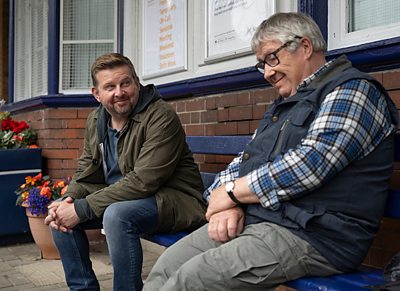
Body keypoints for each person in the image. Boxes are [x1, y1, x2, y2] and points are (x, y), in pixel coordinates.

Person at [143, 12, 399, 291]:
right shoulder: (283, 106)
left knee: (188, 281)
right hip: (262, 220)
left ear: (304, 46)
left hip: (315, 236)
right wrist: (230, 204)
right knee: (166, 268)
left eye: (271, 58)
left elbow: (310, 164)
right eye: (262, 64)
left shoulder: (352, 91)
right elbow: (243, 162)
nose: (266, 72)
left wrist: (231, 194)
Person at [45, 53, 206, 291]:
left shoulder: (160, 116)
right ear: (96, 94)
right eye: (110, 87)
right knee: (60, 211)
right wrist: (69, 200)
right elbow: (87, 168)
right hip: (122, 198)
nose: (119, 92)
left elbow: (144, 181)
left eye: (125, 83)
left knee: (117, 216)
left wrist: (81, 209)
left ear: (137, 83)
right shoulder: (96, 119)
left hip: (174, 200)